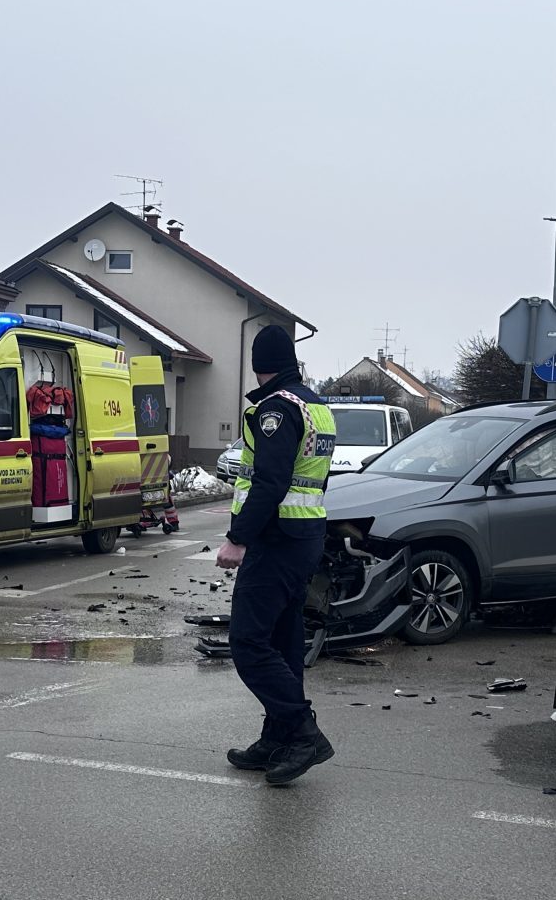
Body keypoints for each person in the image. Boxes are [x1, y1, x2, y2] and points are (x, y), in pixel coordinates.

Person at [216, 325, 339, 785]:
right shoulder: (316, 407)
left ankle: (304, 733)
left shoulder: (275, 409)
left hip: (276, 539)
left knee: (248, 642)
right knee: (284, 643)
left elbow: (270, 481)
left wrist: (238, 538)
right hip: (304, 536)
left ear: (258, 363)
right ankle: (278, 737)